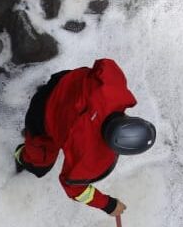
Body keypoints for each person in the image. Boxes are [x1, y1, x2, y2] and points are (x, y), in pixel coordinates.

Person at [14, 58, 155, 217]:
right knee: (38, 165)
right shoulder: (90, 156)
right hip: (41, 117)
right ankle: (21, 156)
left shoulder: (113, 88)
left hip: (61, 82)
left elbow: (104, 64)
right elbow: (73, 187)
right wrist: (109, 205)